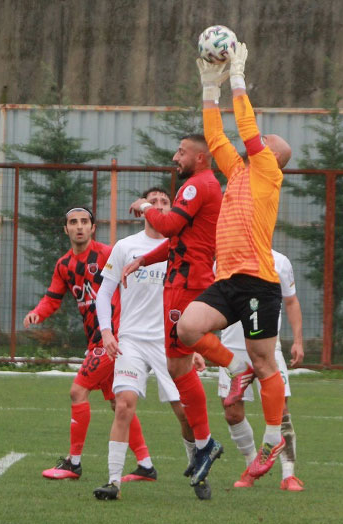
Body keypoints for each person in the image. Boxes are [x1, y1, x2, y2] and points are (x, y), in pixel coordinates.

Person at [167, 41, 296, 484]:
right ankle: (234, 367)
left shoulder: (268, 172)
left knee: (266, 363)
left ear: (273, 156)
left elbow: (245, 128)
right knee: (187, 328)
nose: (258, 140)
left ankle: (273, 439)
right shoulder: (239, 171)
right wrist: (209, 87)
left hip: (259, 282)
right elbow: (217, 136)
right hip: (228, 280)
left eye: (266, 141)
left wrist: (237, 78)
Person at [91, 188, 210, 500]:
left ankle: (198, 472)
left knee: (185, 414)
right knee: (123, 405)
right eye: (153, 201)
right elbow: (104, 293)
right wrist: (107, 332)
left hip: (170, 343)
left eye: (164, 202)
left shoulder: (182, 247)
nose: (158, 205)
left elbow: (197, 300)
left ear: (172, 209)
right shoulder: (126, 246)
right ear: (143, 209)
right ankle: (113, 482)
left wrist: (196, 345)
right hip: (131, 340)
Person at [121, 135, 224, 488]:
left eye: (182, 152)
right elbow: (179, 241)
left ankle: (205, 443)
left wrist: (145, 206)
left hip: (187, 285)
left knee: (179, 365)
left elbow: (167, 227)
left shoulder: (197, 186)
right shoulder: (201, 185)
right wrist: (144, 260)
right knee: (178, 365)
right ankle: (203, 443)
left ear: (201, 156)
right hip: (182, 282)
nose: (175, 157)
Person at [24, 206, 151, 480]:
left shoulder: (107, 254)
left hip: (113, 339)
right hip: (97, 341)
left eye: (84, 222)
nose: (79, 226)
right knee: (118, 403)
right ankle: (146, 465)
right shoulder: (64, 265)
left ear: (93, 228)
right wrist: (37, 313)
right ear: (66, 229)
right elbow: (52, 298)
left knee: (77, 391)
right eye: (73, 222)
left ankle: (73, 463)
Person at [217, 249, 305, 491]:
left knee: (281, 409)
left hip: (268, 347)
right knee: (232, 413)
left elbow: (291, 301)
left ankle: (289, 475)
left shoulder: (280, 262)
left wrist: (298, 341)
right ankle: (251, 466)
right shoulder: (223, 258)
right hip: (232, 350)